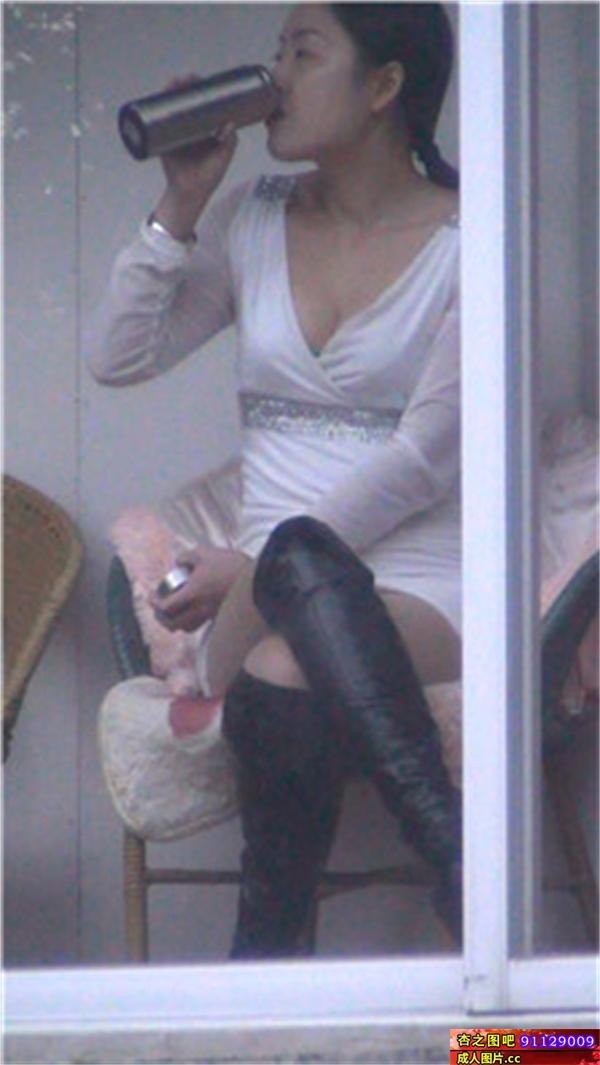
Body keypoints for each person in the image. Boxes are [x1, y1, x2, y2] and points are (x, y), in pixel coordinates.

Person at [89, 2, 462, 958]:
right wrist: (181, 203)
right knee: (291, 571)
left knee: (285, 662)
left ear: (384, 86)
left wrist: (258, 564)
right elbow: (115, 356)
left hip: (417, 588)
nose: (276, 78)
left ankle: (265, 965)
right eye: (275, 53)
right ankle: (457, 860)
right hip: (260, 591)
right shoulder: (253, 218)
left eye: (304, 53)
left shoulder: (473, 239)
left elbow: (426, 457)